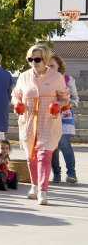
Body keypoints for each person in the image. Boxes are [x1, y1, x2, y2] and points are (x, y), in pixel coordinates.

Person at [12, 45, 70, 205]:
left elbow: (66, 99)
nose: (33, 62)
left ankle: (43, 191)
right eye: (30, 59)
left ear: (45, 59)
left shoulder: (56, 77)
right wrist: (17, 104)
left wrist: (58, 104)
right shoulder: (23, 76)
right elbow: (15, 95)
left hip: (48, 121)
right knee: (31, 156)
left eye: (37, 59)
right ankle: (34, 185)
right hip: (28, 121)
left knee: (44, 155)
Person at [48, 53, 79, 183]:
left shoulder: (68, 79)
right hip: (49, 115)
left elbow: (75, 98)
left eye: (52, 65)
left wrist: (67, 105)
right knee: (53, 146)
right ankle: (56, 174)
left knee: (64, 143)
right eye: (47, 65)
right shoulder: (43, 80)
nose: (49, 68)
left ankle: (71, 173)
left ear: (59, 66)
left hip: (65, 115)